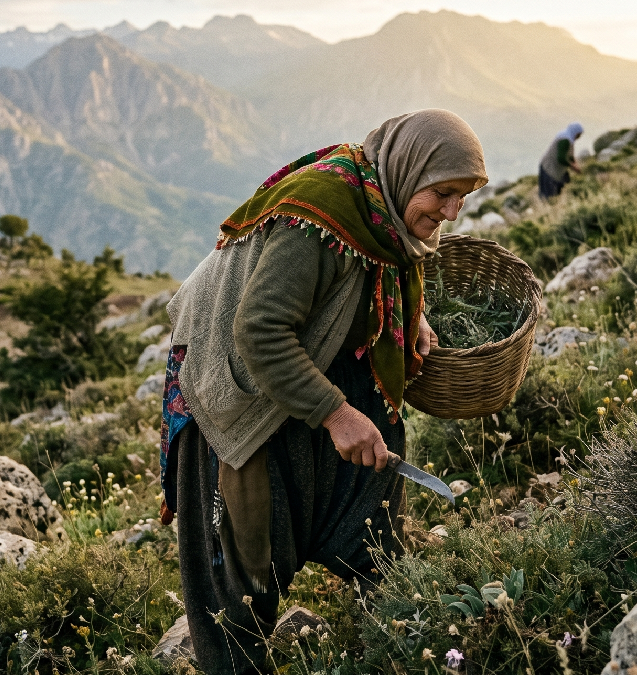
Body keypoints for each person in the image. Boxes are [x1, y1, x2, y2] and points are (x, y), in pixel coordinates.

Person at [159, 109, 487, 675]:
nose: (452, 212)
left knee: (373, 500)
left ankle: (392, 640)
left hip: (305, 356)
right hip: (234, 378)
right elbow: (260, 331)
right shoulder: (319, 218)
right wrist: (336, 414)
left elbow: (377, 265)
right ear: (407, 171)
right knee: (244, 567)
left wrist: (411, 315)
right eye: (442, 193)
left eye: (463, 197)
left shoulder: (382, 207)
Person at [538, 122, 583, 199]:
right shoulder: (565, 140)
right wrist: (573, 167)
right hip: (549, 169)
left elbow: (569, 153)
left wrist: (574, 162)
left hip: (556, 169)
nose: (580, 136)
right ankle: (547, 205)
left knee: (564, 184)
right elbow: (561, 158)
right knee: (548, 195)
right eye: (579, 134)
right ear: (575, 132)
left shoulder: (569, 138)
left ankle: (560, 200)